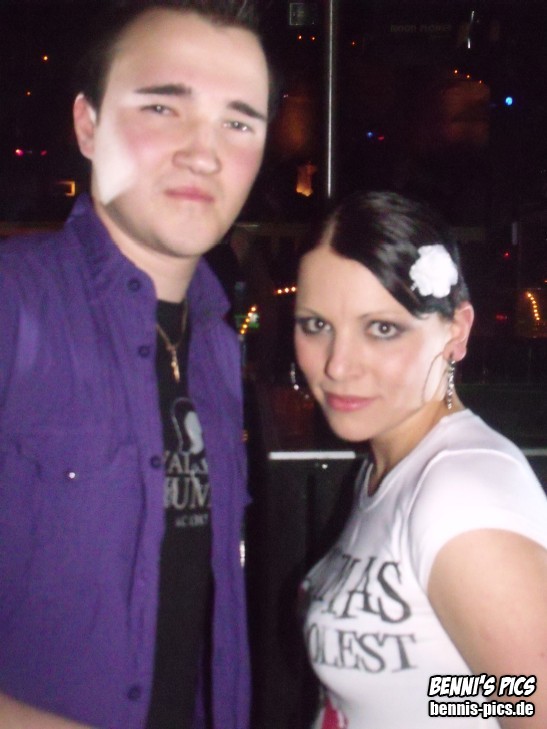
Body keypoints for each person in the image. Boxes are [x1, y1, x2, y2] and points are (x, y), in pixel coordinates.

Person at [0, 1, 272, 727]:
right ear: (88, 125)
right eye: (162, 108)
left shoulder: (214, 345)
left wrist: (430, 702)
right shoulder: (14, 306)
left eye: (239, 123)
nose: (204, 153)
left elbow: (521, 693)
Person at [294, 191, 547, 728]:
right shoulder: (386, 466)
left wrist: (426, 702)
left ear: (456, 331)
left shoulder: (461, 492)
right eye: (316, 325)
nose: (338, 365)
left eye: (382, 328)